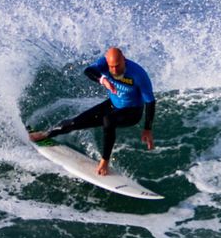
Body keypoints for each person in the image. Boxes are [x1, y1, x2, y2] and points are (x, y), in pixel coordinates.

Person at [29, 47, 156, 175]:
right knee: (74, 122)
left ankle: (105, 161)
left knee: (108, 120)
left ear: (124, 59)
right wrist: (103, 79)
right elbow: (88, 71)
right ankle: (46, 134)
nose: (115, 70)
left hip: (132, 112)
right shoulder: (103, 64)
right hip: (113, 104)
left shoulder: (139, 74)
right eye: (111, 67)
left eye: (117, 66)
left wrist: (147, 129)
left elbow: (150, 102)